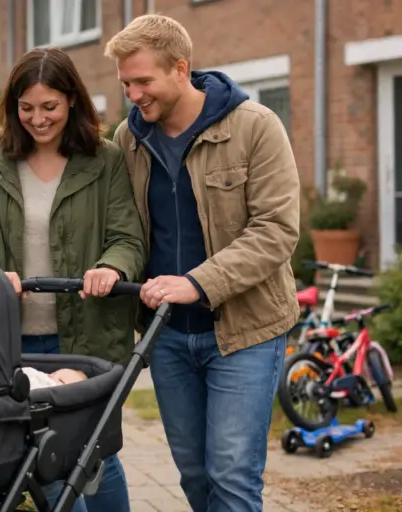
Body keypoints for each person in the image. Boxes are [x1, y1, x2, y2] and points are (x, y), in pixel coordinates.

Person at [104, 14, 301, 512]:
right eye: (126, 82)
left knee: (231, 475)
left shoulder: (255, 127)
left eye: (142, 81)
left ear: (180, 69)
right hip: (166, 335)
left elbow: (276, 230)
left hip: (246, 331)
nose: (133, 93)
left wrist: (198, 282)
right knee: (194, 475)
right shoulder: (127, 142)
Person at [0, 47, 146, 512]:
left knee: (94, 453)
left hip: (86, 336)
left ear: (72, 99)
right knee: (39, 459)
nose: (38, 119)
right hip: (11, 338)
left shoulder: (104, 158)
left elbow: (127, 238)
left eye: (49, 106)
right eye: (26, 107)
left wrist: (111, 268)